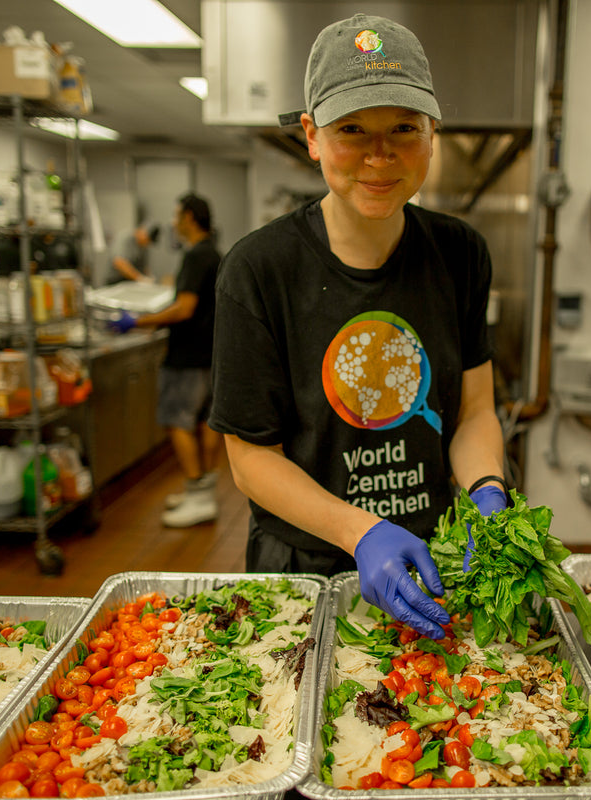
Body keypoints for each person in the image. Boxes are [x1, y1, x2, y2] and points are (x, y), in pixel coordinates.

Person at [208, 14, 508, 639]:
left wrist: (486, 491)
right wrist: (361, 531)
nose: (379, 155)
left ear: (432, 134)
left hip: (435, 562)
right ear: (313, 137)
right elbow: (249, 459)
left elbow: (474, 409)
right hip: (304, 570)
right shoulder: (259, 270)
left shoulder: (461, 253)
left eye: (403, 128)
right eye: (352, 130)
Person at [110, 195, 223, 527]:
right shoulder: (214, 254)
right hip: (209, 353)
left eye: (177, 216)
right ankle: (203, 493)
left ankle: (197, 495)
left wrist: (138, 322)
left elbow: (185, 308)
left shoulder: (195, 256)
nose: (173, 223)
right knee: (205, 422)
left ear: (189, 217)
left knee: (178, 421)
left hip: (186, 356)